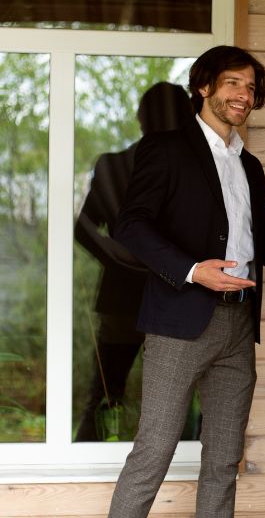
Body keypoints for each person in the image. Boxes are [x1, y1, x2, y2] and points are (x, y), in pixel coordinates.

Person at [108, 45, 265, 518]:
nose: (244, 94)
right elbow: (130, 225)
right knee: (153, 453)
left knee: (224, 460)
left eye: (251, 87)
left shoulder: (250, 166)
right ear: (204, 87)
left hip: (238, 328)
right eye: (233, 83)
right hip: (178, 323)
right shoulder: (167, 149)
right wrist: (192, 270)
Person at [75, 82, 194, 442]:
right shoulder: (117, 166)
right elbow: (83, 227)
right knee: (122, 393)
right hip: (146, 298)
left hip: (163, 297)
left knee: (113, 393)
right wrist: (117, 257)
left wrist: (115, 257)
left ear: (140, 117)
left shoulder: (117, 166)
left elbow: (84, 228)